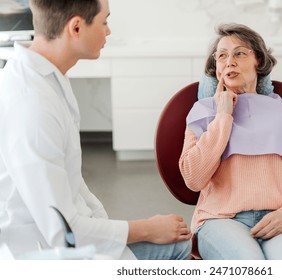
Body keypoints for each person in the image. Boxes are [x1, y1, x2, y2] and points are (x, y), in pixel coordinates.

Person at [0, 0, 191, 260]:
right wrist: (147, 229)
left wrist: (111, 226)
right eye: (104, 22)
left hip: (72, 238)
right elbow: (65, 234)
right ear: (76, 27)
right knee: (177, 248)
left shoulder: (49, 79)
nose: (108, 32)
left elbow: (72, 181)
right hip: (45, 254)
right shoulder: (32, 105)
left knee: (179, 245)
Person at [179, 23, 282, 260]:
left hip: (280, 216)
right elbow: (193, 179)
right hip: (220, 219)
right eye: (222, 56)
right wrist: (222, 116)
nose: (229, 61)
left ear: (259, 61)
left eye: (239, 53)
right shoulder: (203, 112)